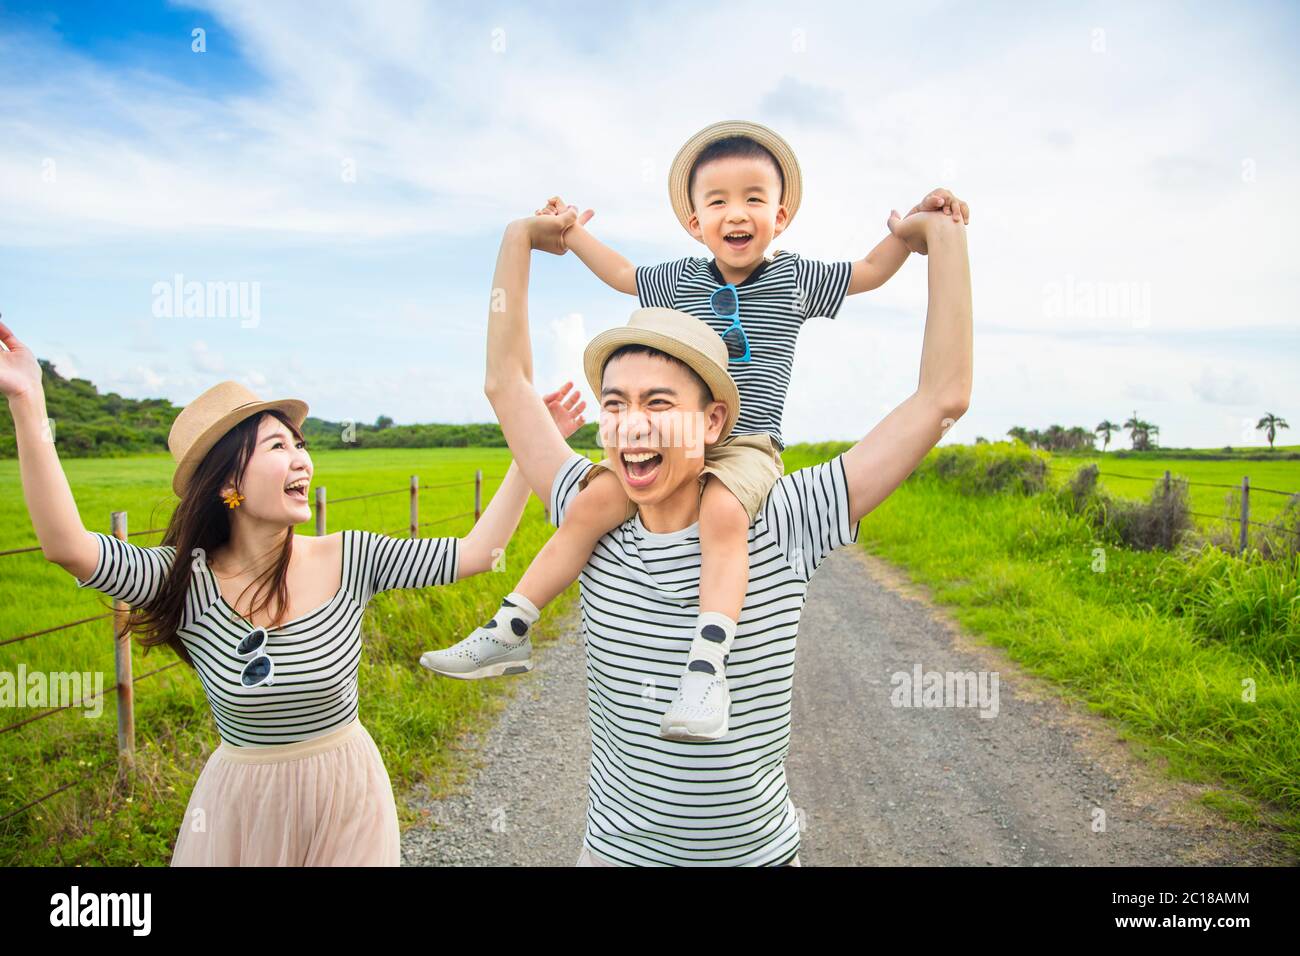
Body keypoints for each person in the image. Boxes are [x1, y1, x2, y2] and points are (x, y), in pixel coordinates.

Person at [422, 120, 970, 744]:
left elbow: (872, 273)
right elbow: (622, 276)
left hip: (747, 445)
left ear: (781, 216)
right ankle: (512, 626)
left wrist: (915, 233)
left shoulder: (796, 278)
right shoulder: (680, 279)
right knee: (593, 502)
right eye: (718, 202)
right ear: (693, 221)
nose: (736, 214)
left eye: (754, 199)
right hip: (684, 441)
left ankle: (707, 667)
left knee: (723, 513)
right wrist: (566, 234)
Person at [466, 201, 970, 865]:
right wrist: (517, 239)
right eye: (614, 406)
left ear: (712, 422)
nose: (632, 426)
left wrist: (940, 235)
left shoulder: (787, 517)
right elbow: (507, 385)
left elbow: (942, 398)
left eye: (659, 404)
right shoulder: (589, 517)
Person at [0, 320, 587, 865]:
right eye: (279, 447)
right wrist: (28, 400)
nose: (302, 458)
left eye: (300, 444)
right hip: (241, 809)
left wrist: (528, 450)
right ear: (230, 480)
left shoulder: (349, 557)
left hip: (347, 795)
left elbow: (477, 554)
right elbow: (66, 545)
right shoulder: (185, 580)